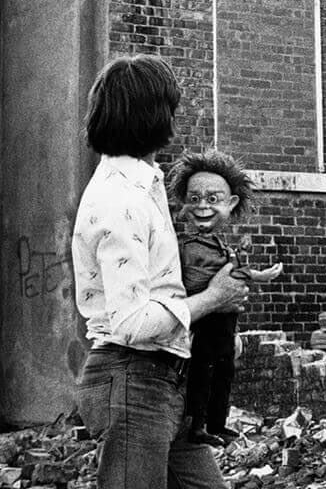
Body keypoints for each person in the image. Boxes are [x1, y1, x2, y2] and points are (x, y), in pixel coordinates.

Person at [72, 55, 249, 488]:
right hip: (132, 379)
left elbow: (160, 292)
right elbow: (132, 323)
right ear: (155, 117)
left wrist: (206, 330)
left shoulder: (144, 186)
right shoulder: (121, 201)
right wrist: (212, 299)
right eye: (171, 108)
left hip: (165, 377)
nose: (175, 118)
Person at [168, 149, 284, 446]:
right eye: (194, 199)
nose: (203, 206)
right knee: (200, 378)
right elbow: (193, 284)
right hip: (204, 325)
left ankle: (217, 423)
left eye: (212, 199)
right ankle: (196, 426)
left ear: (231, 204)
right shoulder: (184, 247)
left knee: (224, 375)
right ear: (183, 205)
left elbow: (234, 274)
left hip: (225, 327)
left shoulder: (222, 245)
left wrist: (257, 276)